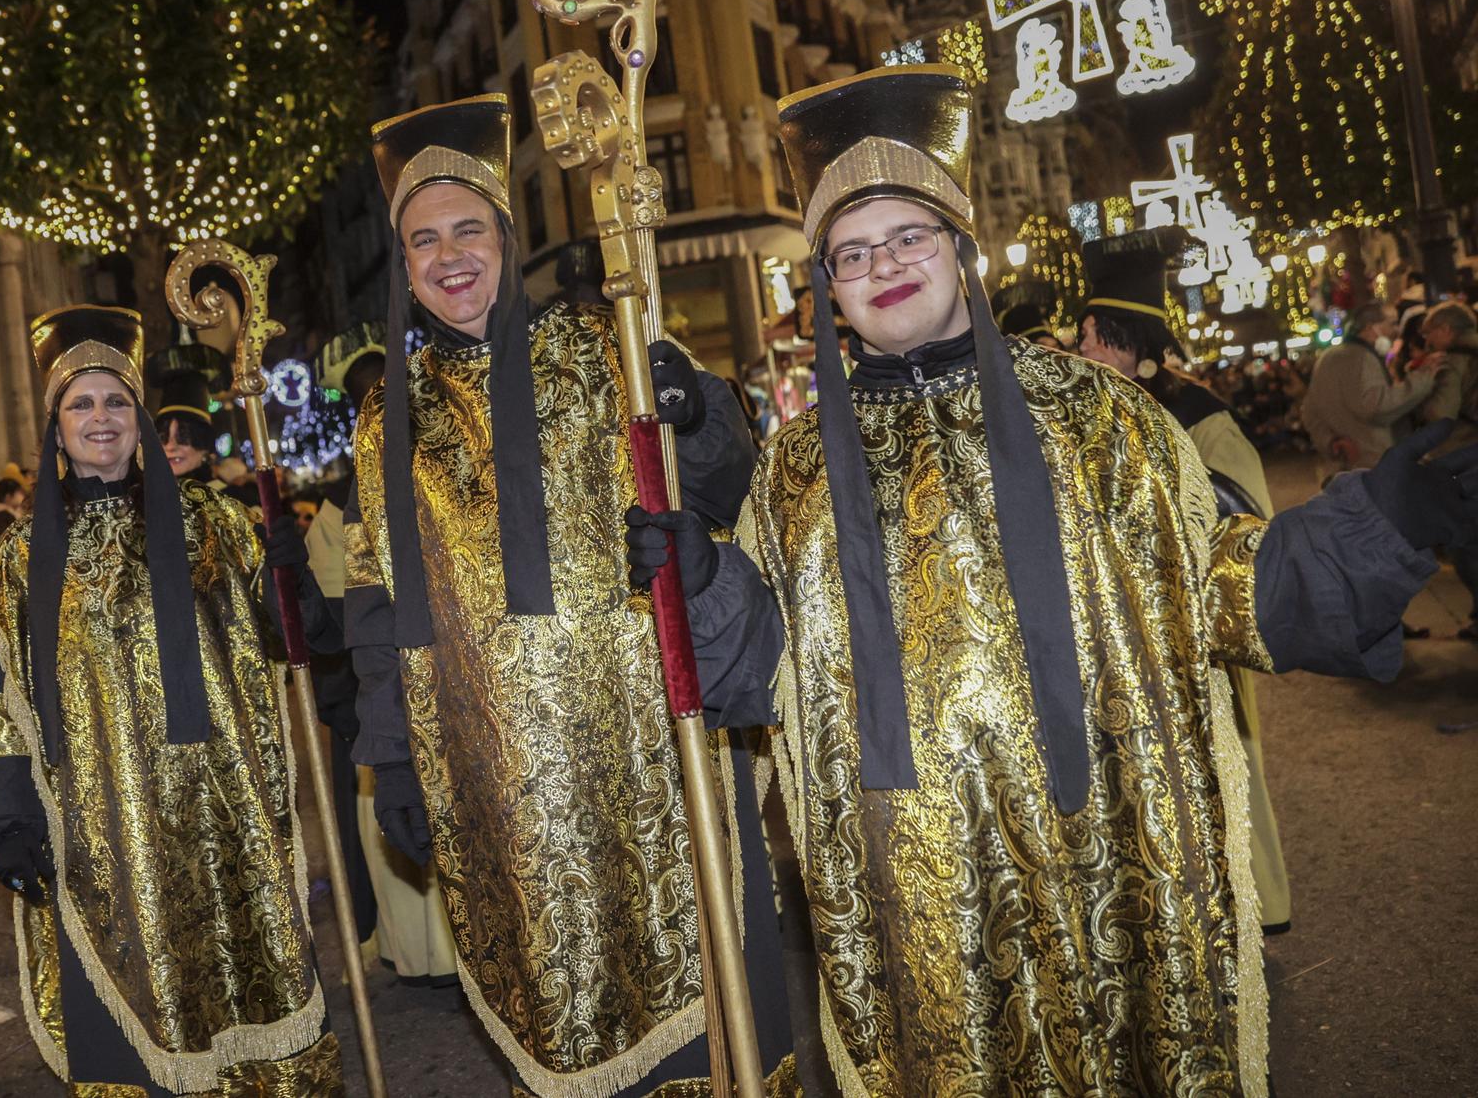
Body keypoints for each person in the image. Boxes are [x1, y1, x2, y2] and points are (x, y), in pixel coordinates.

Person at [632, 64, 1475, 1093]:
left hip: (1108, 875)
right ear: (828, 286)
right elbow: (776, 674)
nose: (882, 264)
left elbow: (1224, 588)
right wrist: (707, 581)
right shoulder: (794, 473)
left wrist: (1381, 524)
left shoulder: (1102, 418)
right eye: (851, 250)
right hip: (919, 912)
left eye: (907, 235)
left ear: (960, 244)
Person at [342, 95, 796, 1094]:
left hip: (650, 751)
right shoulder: (386, 420)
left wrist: (695, 411)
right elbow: (380, 602)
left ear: (507, 238)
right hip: (496, 780)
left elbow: (728, 484)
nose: (450, 256)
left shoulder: (606, 344)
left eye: (468, 229)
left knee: (709, 1007)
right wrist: (394, 756)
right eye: (424, 240)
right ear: (404, 265)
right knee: (557, 1014)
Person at [0, 305, 339, 1092]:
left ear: (137, 416)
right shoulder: (13, 563)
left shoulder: (217, 522)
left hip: (220, 812)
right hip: (101, 829)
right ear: (56, 426)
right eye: (81, 403)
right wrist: (1, 818)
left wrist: (290, 573)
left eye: (116, 401)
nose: (100, 418)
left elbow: (295, 639)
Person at [1077, 227, 1292, 932]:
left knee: (1223, 766)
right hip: (1122, 637)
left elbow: (1247, 522)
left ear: (1125, 341)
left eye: (1091, 338)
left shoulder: (1200, 417)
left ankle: (1252, 909)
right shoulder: (1091, 411)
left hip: (1197, 633)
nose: (1081, 351)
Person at [1300, 298, 1439, 474]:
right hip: (1374, 462)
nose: (1395, 330)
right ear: (1371, 327)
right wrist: (1423, 379)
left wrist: (1331, 442)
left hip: (1345, 468)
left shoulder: (1327, 358)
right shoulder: (1362, 358)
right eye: (1391, 323)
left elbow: (1309, 411)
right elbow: (1377, 406)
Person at [1416, 300, 1478, 638]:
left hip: (1465, 457)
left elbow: (1441, 415)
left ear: (1446, 330)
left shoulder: (1452, 361)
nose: (1427, 342)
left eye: (1429, 334)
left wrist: (1423, 386)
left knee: (1463, 542)